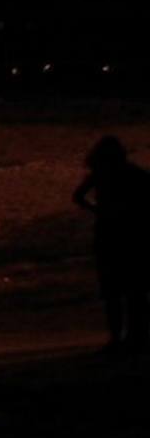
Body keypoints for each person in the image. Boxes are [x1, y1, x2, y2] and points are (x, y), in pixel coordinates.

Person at [74, 135, 150, 351]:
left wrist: (97, 209)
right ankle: (137, 336)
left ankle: (116, 337)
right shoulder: (135, 174)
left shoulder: (99, 174)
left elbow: (78, 196)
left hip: (107, 234)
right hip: (132, 236)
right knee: (135, 290)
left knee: (112, 291)